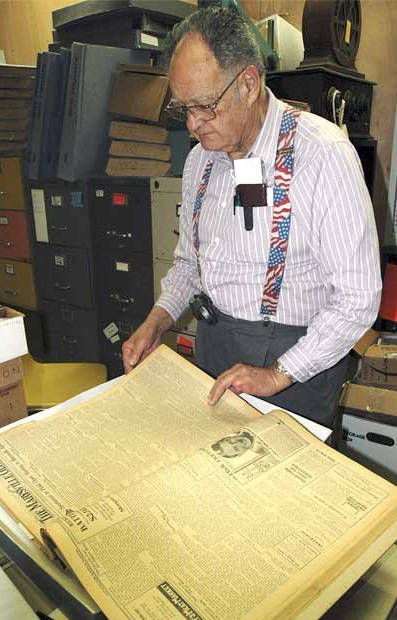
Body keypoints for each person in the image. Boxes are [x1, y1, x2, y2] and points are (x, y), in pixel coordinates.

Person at [122, 7, 382, 428]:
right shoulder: (199, 163)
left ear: (248, 83)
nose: (193, 125)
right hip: (215, 349)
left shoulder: (322, 155)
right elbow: (190, 263)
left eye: (205, 106)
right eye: (182, 108)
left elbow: (358, 298)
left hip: (297, 366)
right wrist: (157, 321)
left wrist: (277, 374)